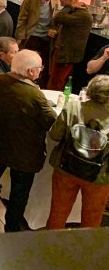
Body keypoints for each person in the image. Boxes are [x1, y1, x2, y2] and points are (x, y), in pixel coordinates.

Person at [0, 50, 57, 231]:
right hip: (24, 153)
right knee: (20, 192)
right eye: (39, 68)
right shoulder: (34, 95)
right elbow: (53, 121)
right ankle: (12, 227)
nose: (41, 71)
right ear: (30, 72)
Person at [46, 75, 109, 229]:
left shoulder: (73, 107)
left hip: (66, 167)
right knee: (92, 220)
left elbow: (54, 135)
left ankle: (49, 248)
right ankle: (84, 251)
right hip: (99, 176)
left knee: (58, 213)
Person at [47, 0, 92, 91]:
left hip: (66, 54)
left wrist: (70, 6)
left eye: (62, 0)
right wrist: (53, 29)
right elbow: (56, 20)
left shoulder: (82, 15)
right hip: (61, 51)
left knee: (57, 82)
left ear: (70, 1)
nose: (60, 2)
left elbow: (59, 16)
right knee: (54, 79)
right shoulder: (74, 11)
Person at [15, 0, 57, 85]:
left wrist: (53, 30)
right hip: (32, 36)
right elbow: (22, 19)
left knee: (43, 65)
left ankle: (38, 85)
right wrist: (20, 38)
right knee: (29, 63)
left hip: (46, 37)